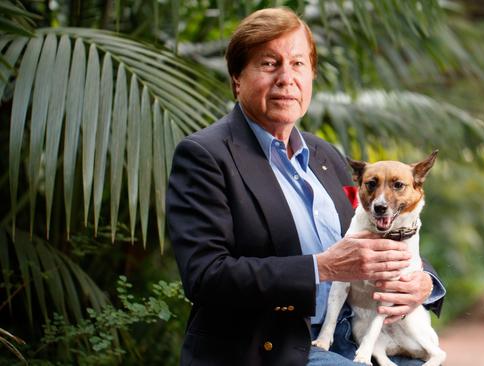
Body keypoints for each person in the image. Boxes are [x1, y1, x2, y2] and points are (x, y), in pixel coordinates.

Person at [166, 7, 445, 366]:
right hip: (278, 345)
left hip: (359, 333)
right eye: (269, 64)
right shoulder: (206, 156)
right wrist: (321, 267)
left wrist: (423, 282)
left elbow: (376, 234)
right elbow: (205, 276)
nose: (287, 77)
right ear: (237, 78)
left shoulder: (324, 154)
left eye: (298, 64)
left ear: (311, 75)